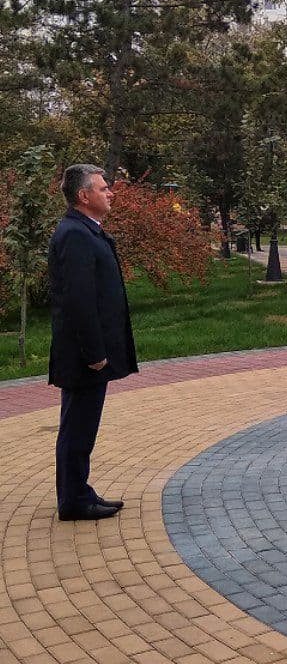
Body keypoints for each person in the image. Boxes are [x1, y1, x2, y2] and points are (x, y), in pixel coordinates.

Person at [48, 164, 139, 521]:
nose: (110, 193)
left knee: (81, 426)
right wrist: (95, 353)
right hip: (84, 356)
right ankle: (73, 501)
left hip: (88, 353)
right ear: (84, 196)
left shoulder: (86, 230)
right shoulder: (74, 234)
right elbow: (79, 300)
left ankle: (79, 491)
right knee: (77, 428)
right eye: (103, 188)